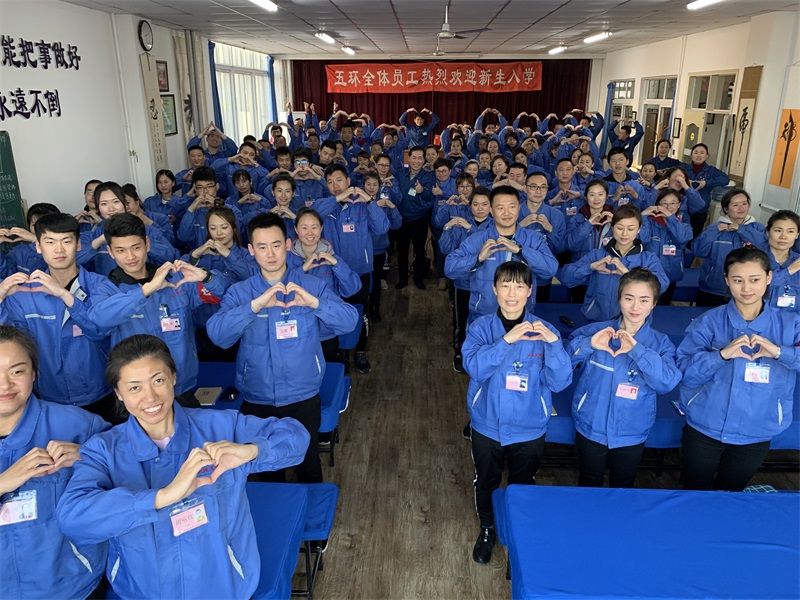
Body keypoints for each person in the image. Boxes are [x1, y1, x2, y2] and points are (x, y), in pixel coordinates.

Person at [57, 334, 310, 599]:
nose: (150, 397)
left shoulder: (221, 427)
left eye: (158, 380)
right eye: (134, 388)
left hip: (223, 585)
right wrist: (161, 497)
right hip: (146, 592)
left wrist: (251, 450)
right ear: (119, 394)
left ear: (173, 377)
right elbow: (73, 519)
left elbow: (296, 437)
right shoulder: (102, 450)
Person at [206, 213, 359, 483]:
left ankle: (312, 505)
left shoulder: (311, 285)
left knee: (308, 461)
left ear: (288, 244)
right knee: (266, 468)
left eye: (276, 245)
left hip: (303, 394)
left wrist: (315, 303)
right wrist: (254, 307)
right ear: (251, 250)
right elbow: (218, 335)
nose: (270, 254)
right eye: (262, 247)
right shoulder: (241, 292)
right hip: (258, 396)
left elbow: (349, 321)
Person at [462, 262, 571, 564]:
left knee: (522, 483)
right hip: (488, 425)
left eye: (519, 286)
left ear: (529, 291)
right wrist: (507, 341)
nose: (512, 294)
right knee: (486, 480)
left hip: (529, 427)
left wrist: (555, 346)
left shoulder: (544, 331)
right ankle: (487, 528)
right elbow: (475, 368)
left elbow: (559, 382)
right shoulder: (481, 328)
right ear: (494, 289)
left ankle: (518, 532)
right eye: (505, 286)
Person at [676, 246, 800, 491]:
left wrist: (779, 352)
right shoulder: (708, 322)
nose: (746, 288)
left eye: (754, 280)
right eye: (737, 280)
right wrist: (721, 355)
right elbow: (684, 372)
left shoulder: (791, 324)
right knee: (694, 492)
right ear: (726, 280)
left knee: (732, 494)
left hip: (757, 428)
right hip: (705, 425)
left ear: (769, 278)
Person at [0, 325, 109, 600]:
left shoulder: (77, 425)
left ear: (34, 374)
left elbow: (133, 475)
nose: (5, 385)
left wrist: (90, 458)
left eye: (17, 371)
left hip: (72, 586)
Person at [89, 214, 229, 409]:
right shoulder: (106, 289)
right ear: (110, 252)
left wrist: (206, 277)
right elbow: (99, 319)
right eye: (121, 250)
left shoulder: (175, 279)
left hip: (182, 386)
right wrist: (145, 290)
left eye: (136, 247)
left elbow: (224, 293)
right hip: (140, 395)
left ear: (147, 244)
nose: (130, 256)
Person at [566, 268, 681, 487]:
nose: (635, 307)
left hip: (632, 430)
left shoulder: (660, 343)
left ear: (654, 303)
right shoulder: (595, 331)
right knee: (589, 482)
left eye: (644, 300)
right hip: (591, 425)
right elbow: (562, 365)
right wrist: (588, 344)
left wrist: (637, 350)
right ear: (619, 299)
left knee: (623, 484)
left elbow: (667, 382)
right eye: (629, 298)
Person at [0, 213, 120, 420]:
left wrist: (64, 295)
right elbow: (11, 343)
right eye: (50, 242)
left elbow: (100, 330)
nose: (59, 249)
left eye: (66, 241)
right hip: (49, 398)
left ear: (78, 245)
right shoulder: (24, 293)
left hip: (102, 392)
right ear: (38, 247)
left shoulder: (101, 285)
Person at [560, 204, 669, 321]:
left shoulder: (648, 259)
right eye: (620, 228)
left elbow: (661, 285)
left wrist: (629, 275)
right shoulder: (598, 255)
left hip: (633, 323)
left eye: (631, 229)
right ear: (612, 227)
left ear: (639, 229)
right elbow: (566, 277)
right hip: (598, 320)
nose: (624, 233)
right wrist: (590, 267)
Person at [291, 207, 362, 364]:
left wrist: (337, 264)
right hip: (297, 331)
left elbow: (352, 289)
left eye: (314, 227)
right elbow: (279, 289)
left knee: (328, 369)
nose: (310, 233)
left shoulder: (332, 257)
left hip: (326, 332)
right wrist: (302, 269)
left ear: (321, 228)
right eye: (304, 227)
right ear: (296, 229)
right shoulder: (286, 258)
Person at [440, 187, 493, 373]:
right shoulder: (461, 223)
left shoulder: (495, 227)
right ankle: (460, 352)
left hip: (488, 285)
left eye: (484, 204)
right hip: (463, 283)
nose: (480, 208)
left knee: (486, 320)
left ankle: (484, 353)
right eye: (476, 204)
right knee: (460, 320)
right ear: (470, 206)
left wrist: (472, 229)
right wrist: (447, 228)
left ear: (491, 207)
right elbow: (446, 249)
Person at [79, 181, 179, 276]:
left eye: (116, 202)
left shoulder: (147, 231)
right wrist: (98, 242)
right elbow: (74, 264)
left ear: (125, 203)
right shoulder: (94, 235)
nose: (111, 209)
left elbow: (173, 257)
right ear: (98, 207)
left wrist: (144, 243)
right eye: (104, 204)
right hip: (109, 287)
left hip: (147, 286)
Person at [692, 188, 767, 307]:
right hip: (714, 289)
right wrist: (713, 232)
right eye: (735, 205)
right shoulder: (715, 228)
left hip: (747, 291)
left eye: (744, 204)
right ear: (726, 209)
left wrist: (741, 229)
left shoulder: (757, 228)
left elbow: (766, 247)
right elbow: (698, 250)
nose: (741, 208)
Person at [639, 189, 694, 305]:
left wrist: (670, 218)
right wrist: (642, 216)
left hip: (671, 273)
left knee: (664, 305)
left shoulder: (683, 224)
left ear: (679, 205)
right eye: (664, 203)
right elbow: (642, 240)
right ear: (657, 204)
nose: (668, 206)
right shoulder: (650, 222)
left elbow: (683, 239)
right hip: (649, 273)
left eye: (673, 203)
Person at [519, 171, 566, 302]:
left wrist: (550, 229)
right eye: (534, 186)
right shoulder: (513, 212)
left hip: (542, 276)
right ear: (525, 188)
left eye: (543, 187)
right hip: (516, 274)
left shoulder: (556, 215)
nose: (538, 191)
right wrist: (519, 226)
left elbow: (560, 248)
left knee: (541, 310)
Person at [395, 146, 435, 290]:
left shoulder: (428, 176)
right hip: (402, 220)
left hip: (419, 219)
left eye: (420, 158)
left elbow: (430, 196)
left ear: (424, 160)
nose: (416, 161)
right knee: (402, 251)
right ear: (409, 158)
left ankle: (418, 278)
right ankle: (403, 279)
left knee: (419, 251)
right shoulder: (400, 173)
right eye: (414, 158)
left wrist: (422, 190)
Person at [680, 143, 730, 239]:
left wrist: (706, 182)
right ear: (691, 155)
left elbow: (725, 179)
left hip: (700, 210)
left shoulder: (711, 170)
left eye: (702, 153)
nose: (698, 155)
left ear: (707, 155)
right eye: (696, 153)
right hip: (683, 208)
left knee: (695, 236)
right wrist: (685, 181)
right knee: (681, 235)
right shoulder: (684, 168)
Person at [0, 202, 58, 277]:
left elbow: (57, 273)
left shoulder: (61, 249)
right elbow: (4, 273)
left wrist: (37, 241)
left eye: (43, 224)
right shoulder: (20, 250)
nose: (37, 229)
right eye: (34, 225)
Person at [765, 210, 800, 313]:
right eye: (778, 230)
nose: (783, 236)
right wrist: (787, 271)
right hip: (761, 319)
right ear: (767, 232)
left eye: (790, 231)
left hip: (794, 321)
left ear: (797, 235)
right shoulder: (753, 260)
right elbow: (752, 288)